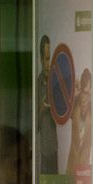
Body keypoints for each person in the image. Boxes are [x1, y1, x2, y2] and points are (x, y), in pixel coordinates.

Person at [36, 35, 59, 174]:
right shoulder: (37, 85)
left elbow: (65, 114)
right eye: (46, 59)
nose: (48, 63)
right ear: (40, 59)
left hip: (54, 149)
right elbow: (34, 127)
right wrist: (42, 108)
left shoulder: (57, 83)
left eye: (51, 59)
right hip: (43, 152)